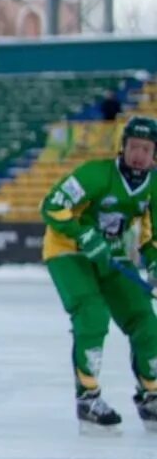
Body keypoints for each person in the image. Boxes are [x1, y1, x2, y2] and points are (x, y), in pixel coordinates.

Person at [40, 114, 157, 431]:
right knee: (92, 313)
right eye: (134, 147)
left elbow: (150, 236)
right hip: (68, 252)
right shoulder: (95, 174)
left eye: (146, 149)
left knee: (146, 319)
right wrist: (84, 235)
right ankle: (88, 397)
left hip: (112, 256)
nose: (138, 155)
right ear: (123, 147)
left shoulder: (154, 188)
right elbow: (51, 206)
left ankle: (151, 395)